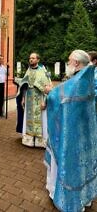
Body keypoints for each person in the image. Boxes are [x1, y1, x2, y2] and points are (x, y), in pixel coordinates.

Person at [45, 49, 97, 212]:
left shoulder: (77, 81)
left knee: (67, 161)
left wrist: (49, 92)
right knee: (82, 164)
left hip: (69, 133)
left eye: (69, 61)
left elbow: (57, 97)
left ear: (76, 63)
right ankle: (84, 199)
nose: (68, 63)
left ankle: (62, 195)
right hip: (84, 131)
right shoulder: (87, 78)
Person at [20, 52, 51, 148]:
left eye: (33, 58)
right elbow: (24, 86)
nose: (31, 60)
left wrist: (45, 101)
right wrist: (23, 98)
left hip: (39, 99)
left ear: (38, 60)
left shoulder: (42, 71)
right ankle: (28, 140)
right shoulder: (28, 71)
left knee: (41, 119)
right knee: (28, 119)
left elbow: (47, 88)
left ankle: (39, 142)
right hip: (29, 98)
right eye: (30, 58)